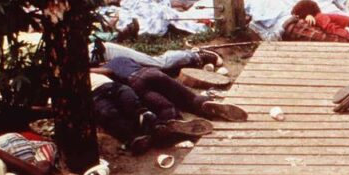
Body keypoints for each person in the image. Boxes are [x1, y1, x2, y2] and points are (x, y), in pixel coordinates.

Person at [93, 57, 247, 123]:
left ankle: (176, 122)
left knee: (164, 107)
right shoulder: (121, 58)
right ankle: (203, 105)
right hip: (152, 72)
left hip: (135, 83)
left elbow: (109, 73)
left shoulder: (105, 67)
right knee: (188, 98)